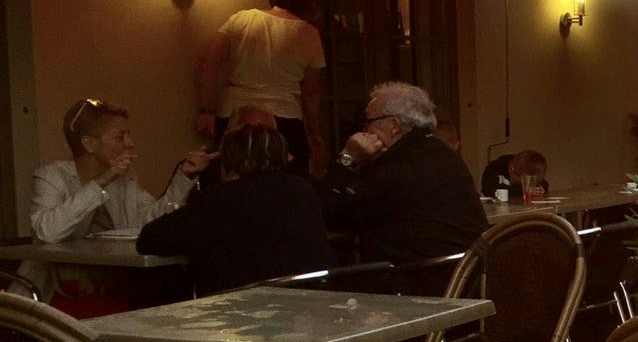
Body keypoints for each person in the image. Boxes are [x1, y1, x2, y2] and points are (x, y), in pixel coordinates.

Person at [25, 98, 214, 310]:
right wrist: (102, 182)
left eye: (128, 135)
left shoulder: (124, 179)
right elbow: (47, 232)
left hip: (115, 286)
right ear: (89, 144)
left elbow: (151, 222)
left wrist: (184, 177)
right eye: (120, 136)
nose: (130, 143)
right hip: (57, 295)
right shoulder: (51, 176)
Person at [137, 124, 335, 295]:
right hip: (303, 305)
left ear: (227, 161)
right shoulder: (302, 192)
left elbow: (149, 239)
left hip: (236, 312)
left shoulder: (218, 199)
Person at [322, 82, 487, 263]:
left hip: (411, 280)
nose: (363, 131)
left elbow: (330, 214)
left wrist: (348, 157)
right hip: (462, 278)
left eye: (368, 121)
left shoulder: (395, 166)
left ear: (394, 125)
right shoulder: (444, 154)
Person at [196, 0, 326, 175]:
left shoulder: (242, 19)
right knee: (288, 180)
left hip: (235, 113)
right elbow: (311, 91)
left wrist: (206, 110)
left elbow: (209, 63)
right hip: (284, 116)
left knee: (231, 174)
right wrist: (314, 132)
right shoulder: (308, 34)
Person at [481, 149, 550, 199]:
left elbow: (543, 183)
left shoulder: (527, 168)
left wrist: (541, 189)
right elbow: (491, 190)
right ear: (511, 170)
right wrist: (523, 191)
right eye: (523, 182)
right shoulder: (494, 169)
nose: (527, 183)